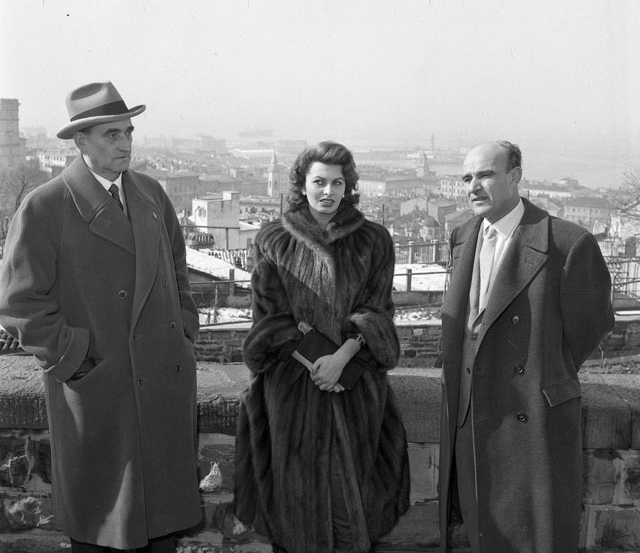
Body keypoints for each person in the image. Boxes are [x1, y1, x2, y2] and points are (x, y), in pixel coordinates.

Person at [0, 82, 202, 552]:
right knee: (104, 527)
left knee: (162, 529)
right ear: (81, 141)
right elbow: (19, 303)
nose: (125, 143)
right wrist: (78, 360)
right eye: (111, 134)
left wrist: (184, 333)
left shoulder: (151, 194)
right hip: (100, 394)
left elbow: (177, 273)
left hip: (163, 385)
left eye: (128, 132)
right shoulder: (46, 205)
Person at [438, 140, 614, 553]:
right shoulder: (463, 236)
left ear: (515, 176)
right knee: (479, 531)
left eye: (485, 174)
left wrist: (539, 370)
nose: (473, 186)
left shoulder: (568, 243)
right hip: (469, 419)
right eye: (467, 177)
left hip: (530, 421)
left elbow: (591, 326)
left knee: (531, 535)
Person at [234, 141, 410, 553]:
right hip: (292, 388)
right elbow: (270, 318)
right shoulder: (273, 239)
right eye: (319, 182)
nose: (328, 191)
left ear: (349, 186)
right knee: (295, 510)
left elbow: (377, 312)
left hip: (355, 387)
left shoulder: (374, 240)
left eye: (338, 183)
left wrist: (341, 359)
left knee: (351, 508)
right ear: (302, 185)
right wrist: (317, 362)